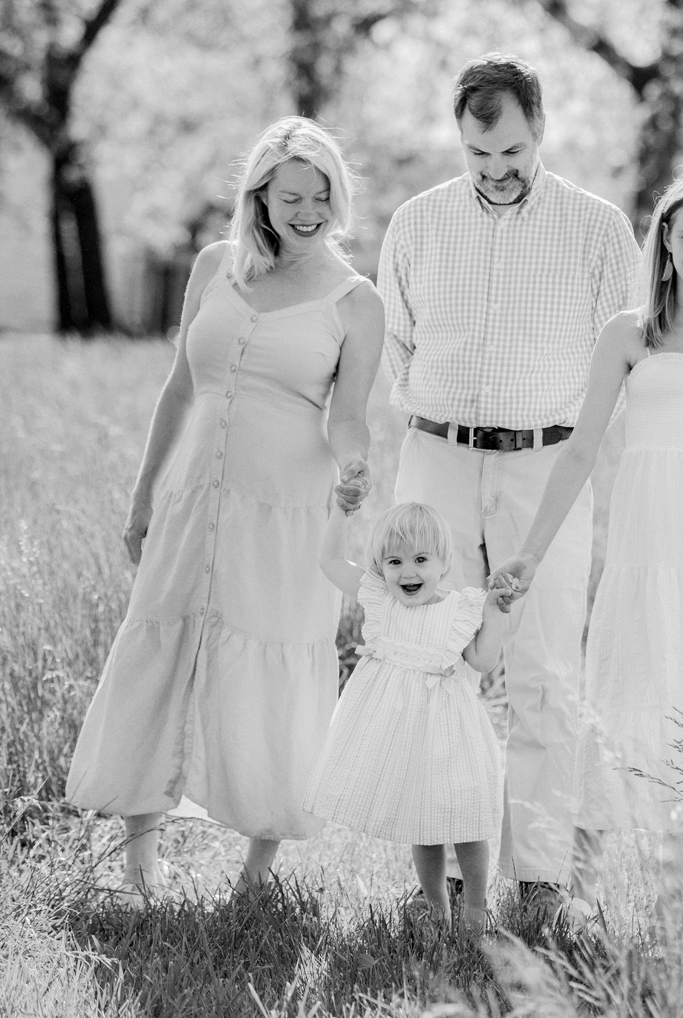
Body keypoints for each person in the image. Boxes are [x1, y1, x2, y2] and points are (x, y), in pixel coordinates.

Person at [66, 116, 384, 902]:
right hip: (190, 501)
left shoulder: (356, 300)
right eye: (290, 196)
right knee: (160, 654)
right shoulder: (215, 266)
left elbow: (348, 418)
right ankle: (139, 861)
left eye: (320, 195)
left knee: (273, 666)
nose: (306, 210)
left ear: (337, 198)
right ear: (260, 197)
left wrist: (355, 467)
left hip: (286, 513)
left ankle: (256, 874)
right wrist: (143, 495)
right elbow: (181, 386)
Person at [377, 52, 640, 892]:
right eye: (479, 155)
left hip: (546, 464)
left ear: (540, 132)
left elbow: (619, 366)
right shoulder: (415, 223)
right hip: (438, 458)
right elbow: (397, 346)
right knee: (430, 662)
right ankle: (446, 873)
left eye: (513, 154)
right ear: (459, 140)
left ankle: (541, 873)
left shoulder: (600, 230)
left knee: (543, 667)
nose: (496, 172)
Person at [493, 163, 683, 912]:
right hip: (642, 550)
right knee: (621, 700)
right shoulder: (628, 333)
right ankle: (579, 893)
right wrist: (528, 551)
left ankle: (671, 903)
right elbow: (582, 448)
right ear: (664, 239)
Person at [304, 502, 510, 934]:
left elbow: (485, 660)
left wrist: (495, 613)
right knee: (424, 819)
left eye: (421, 560)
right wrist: (342, 512)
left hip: (449, 730)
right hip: (402, 736)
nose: (408, 572)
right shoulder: (380, 599)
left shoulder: (459, 610)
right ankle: (436, 909)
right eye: (394, 562)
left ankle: (476, 908)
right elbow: (328, 560)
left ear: (443, 563)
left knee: (467, 818)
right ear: (380, 566)